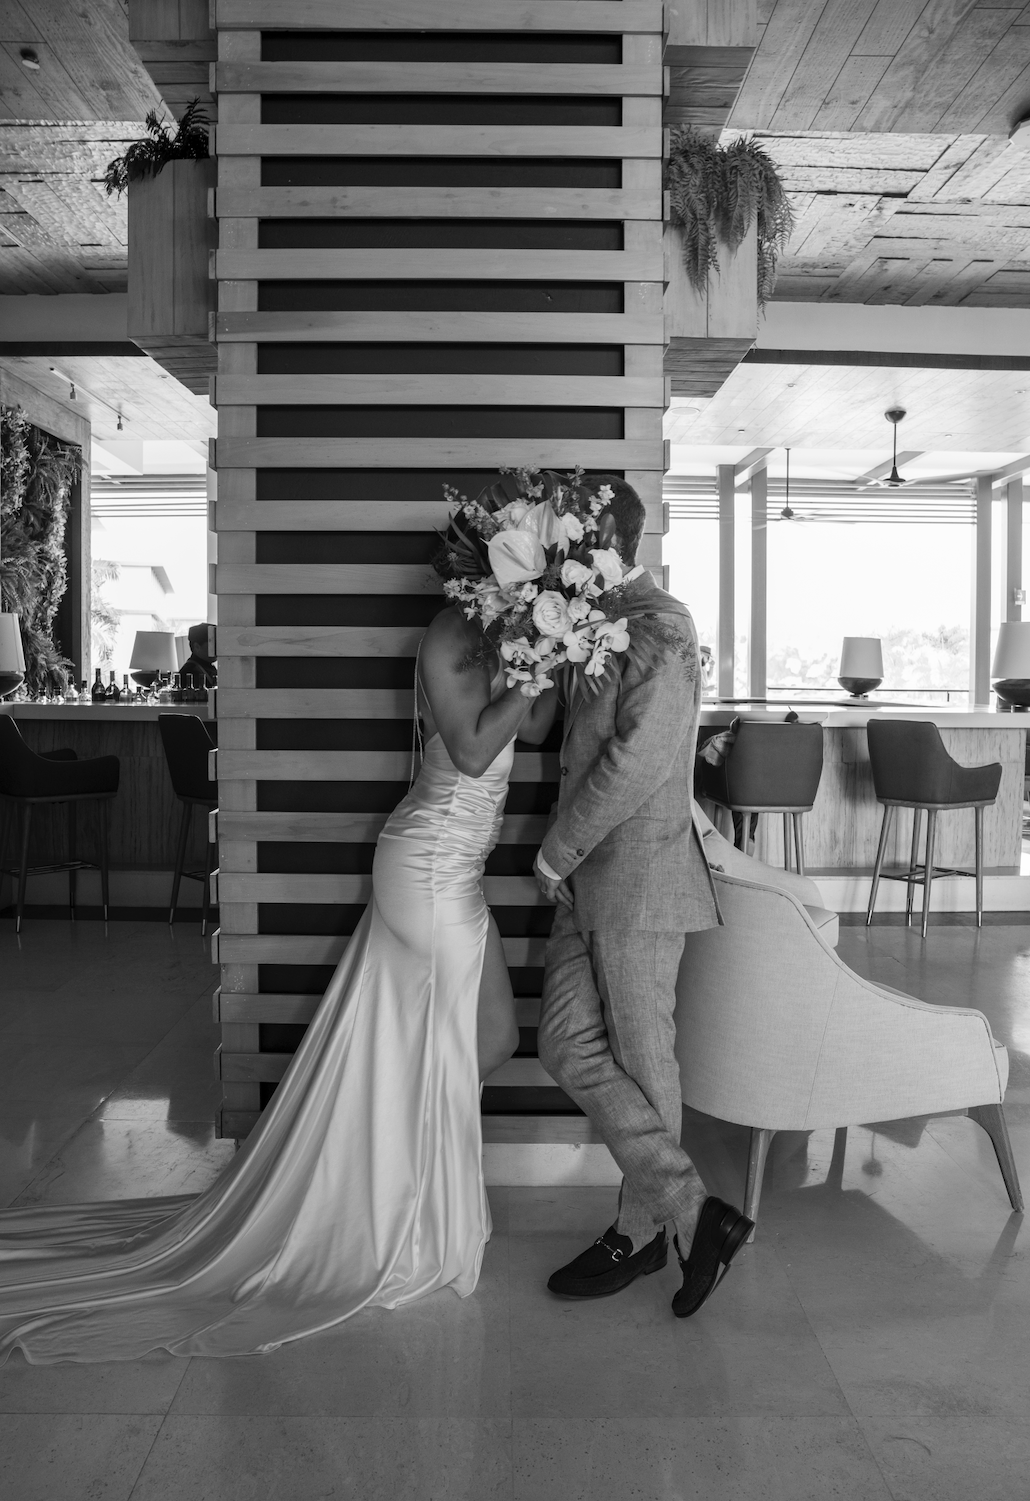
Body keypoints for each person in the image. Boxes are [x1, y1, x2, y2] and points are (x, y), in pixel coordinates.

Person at [0, 488, 556, 1363]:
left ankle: (377, 1188)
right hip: (427, 862)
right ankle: (402, 1225)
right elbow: (479, 748)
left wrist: (554, 649)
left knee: (485, 1039)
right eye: (526, 559)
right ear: (489, 563)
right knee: (467, 1039)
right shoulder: (450, 634)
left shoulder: (510, 637)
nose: (532, 572)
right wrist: (538, 663)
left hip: (461, 867)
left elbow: (540, 722)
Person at [533, 478, 754, 1319]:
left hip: (639, 880)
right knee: (563, 1042)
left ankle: (639, 1231)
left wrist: (556, 850)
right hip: (585, 880)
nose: (554, 554)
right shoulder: (590, 619)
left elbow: (638, 763)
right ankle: (692, 1212)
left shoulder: (665, 626)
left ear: (604, 540)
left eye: (561, 538)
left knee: (642, 1058)